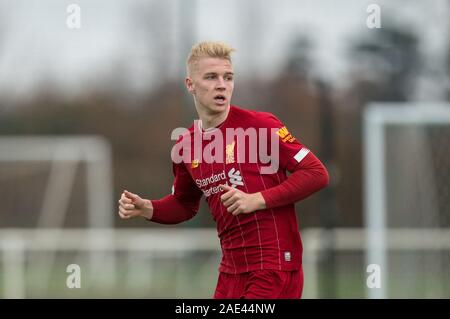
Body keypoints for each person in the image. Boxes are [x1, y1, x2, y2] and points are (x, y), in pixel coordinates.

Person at [118, 41, 329, 299]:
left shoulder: (260, 126)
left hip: (272, 268)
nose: (222, 84)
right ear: (190, 84)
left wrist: (257, 200)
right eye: (211, 77)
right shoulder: (187, 145)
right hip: (230, 272)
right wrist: (148, 208)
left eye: (228, 77)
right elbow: (185, 204)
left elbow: (316, 173)